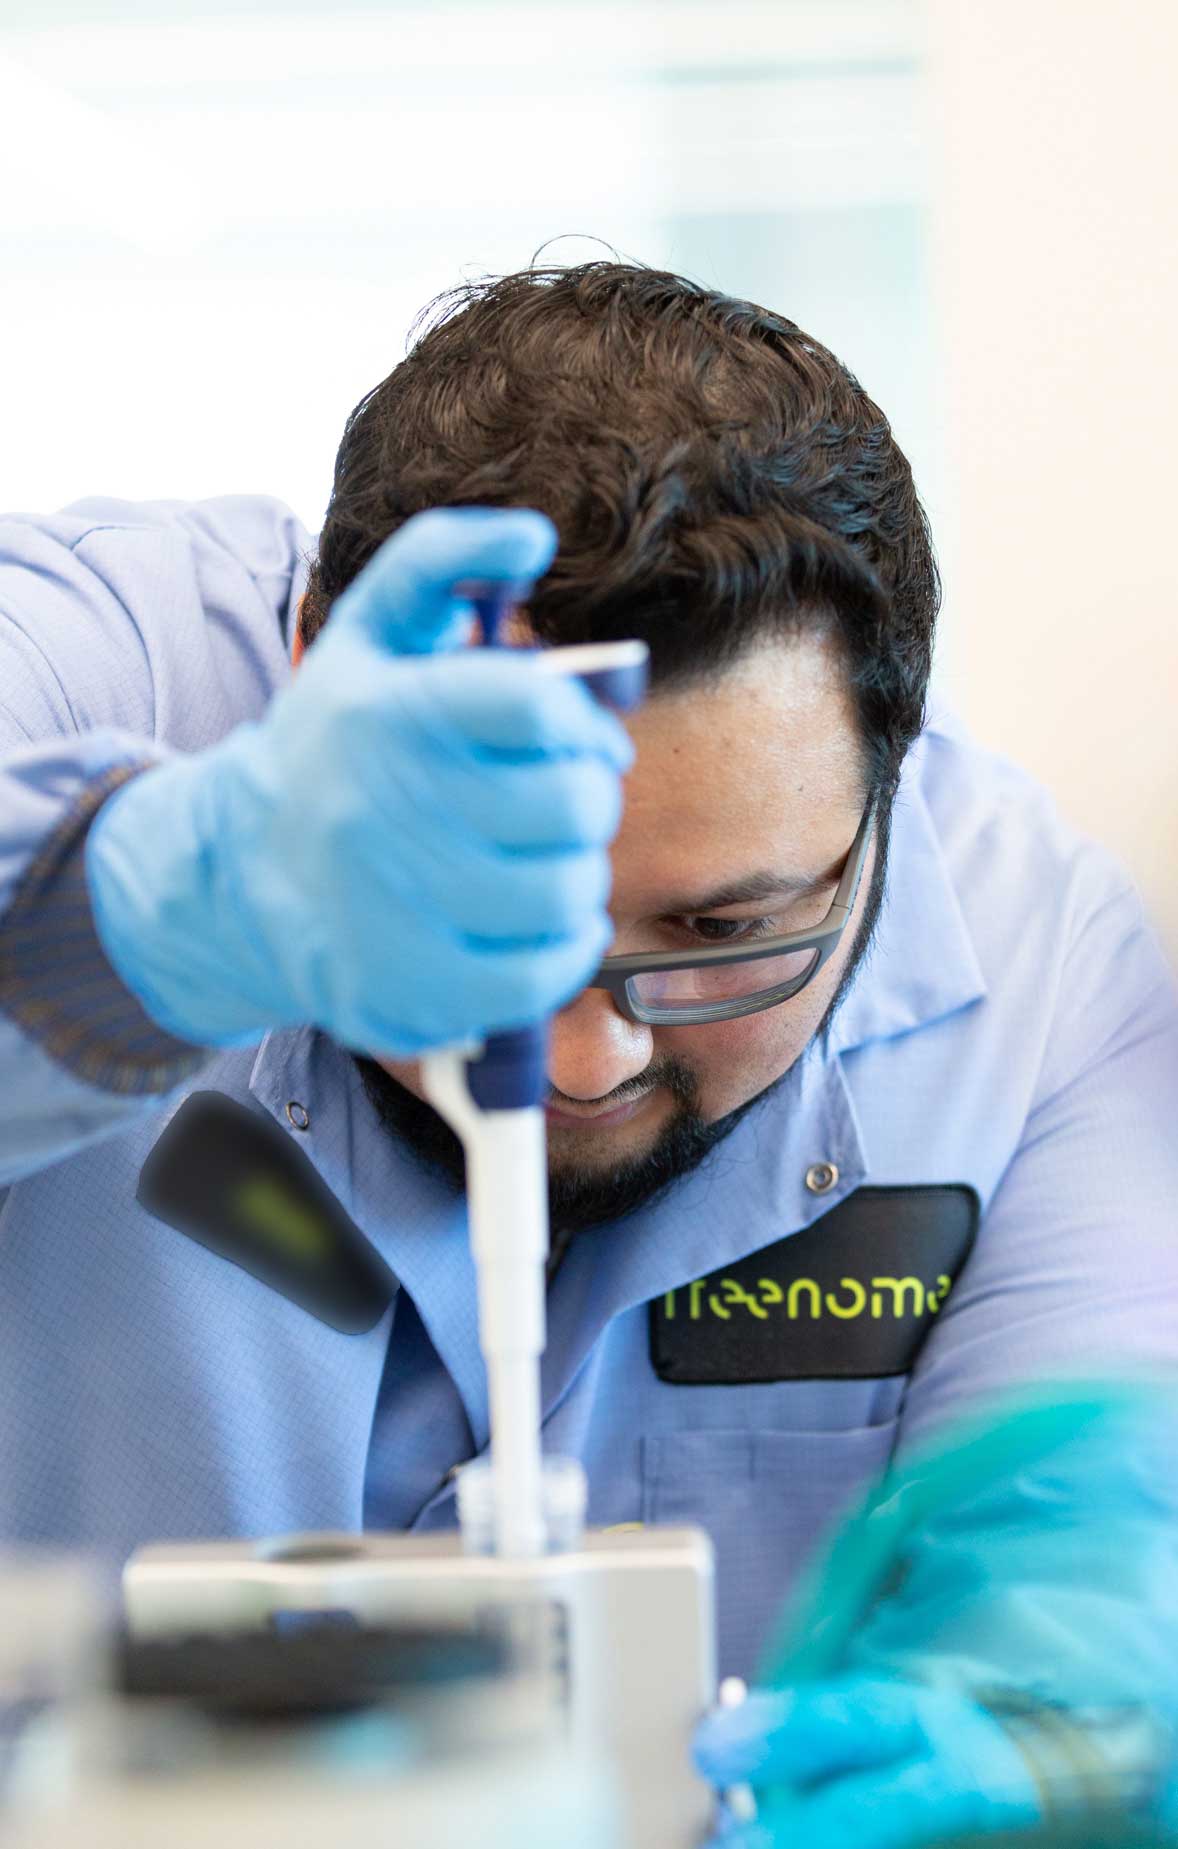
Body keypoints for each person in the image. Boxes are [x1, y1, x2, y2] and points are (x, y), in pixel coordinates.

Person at [1, 262, 1177, 1842]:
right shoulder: (92, 668)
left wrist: (1035, 1722)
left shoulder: (1035, 974)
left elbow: (1099, 1525)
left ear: (888, 788)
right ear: (305, 658)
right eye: (507, 920)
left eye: (718, 936)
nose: (577, 1056)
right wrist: (151, 910)